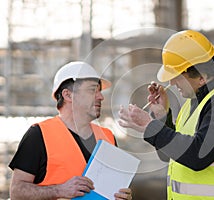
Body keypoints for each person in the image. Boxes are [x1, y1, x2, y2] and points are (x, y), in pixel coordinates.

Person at [118, 30, 214, 200]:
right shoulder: (196, 102)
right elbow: (172, 155)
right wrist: (162, 116)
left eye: (177, 76)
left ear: (202, 77)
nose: (171, 82)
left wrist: (149, 126)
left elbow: (197, 155)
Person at [9, 61, 132, 200]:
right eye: (93, 90)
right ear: (68, 95)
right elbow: (16, 192)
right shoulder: (39, 134)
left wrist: (122, 196)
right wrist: (59, 190)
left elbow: (111, 189)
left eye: (100, 91)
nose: (100, 97)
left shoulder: (108, 137)